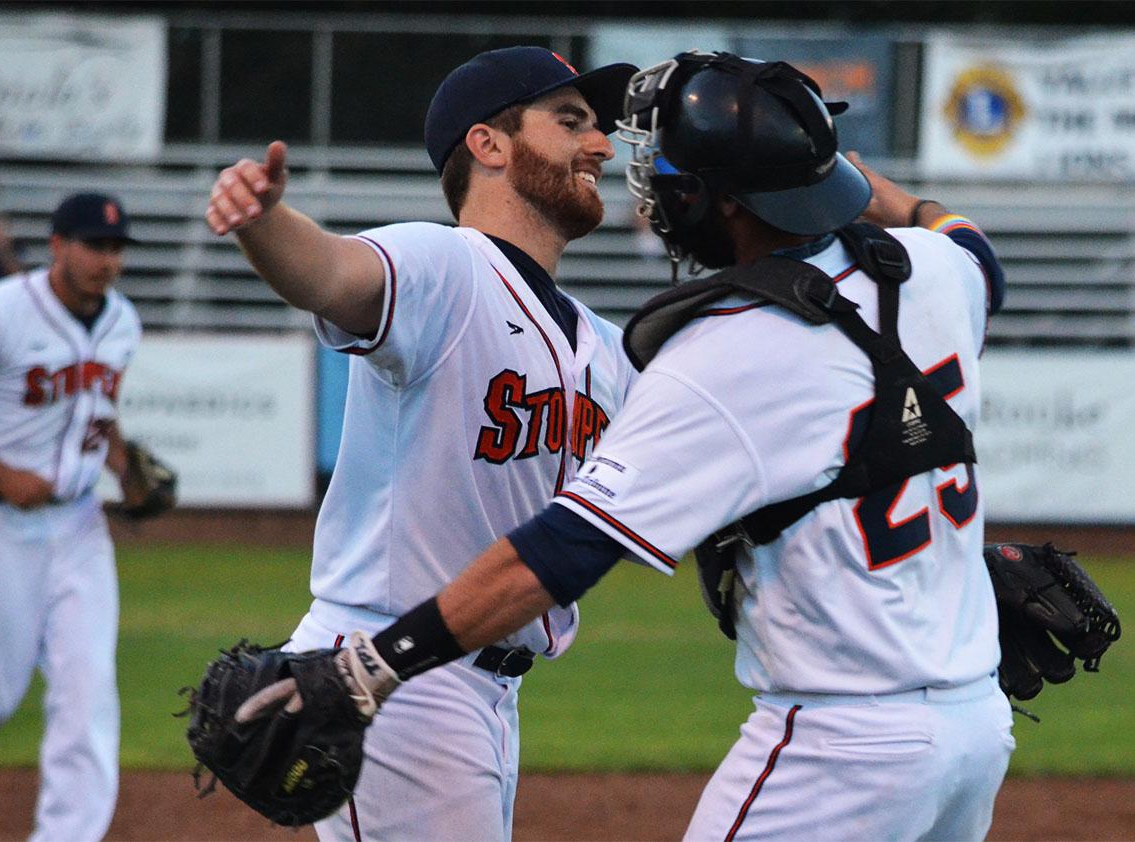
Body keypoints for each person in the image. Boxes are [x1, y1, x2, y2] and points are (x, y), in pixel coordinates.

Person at [314, 52, 1013, 840]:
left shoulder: (723, 354)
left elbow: (564, 551)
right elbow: (975, 249)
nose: (643, 178)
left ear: (720, 201)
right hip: (977, 724)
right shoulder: (933, 271)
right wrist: (889, 197)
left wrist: (373, 666)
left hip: (838, 748)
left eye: (671, 172)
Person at [205, 46, 638, 841]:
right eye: (571, 121)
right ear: (490, 145)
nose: (602, 145)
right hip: (389, 676)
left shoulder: (604, 348)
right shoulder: (448, 266)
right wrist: (265, 221)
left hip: (483, 688)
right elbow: (334, 273)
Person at [0, 192, 142, 841]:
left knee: (89, 698)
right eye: (94, 245)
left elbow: (98, 413)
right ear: (58, 245)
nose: (106, 260)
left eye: (116, 248)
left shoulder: (122, 321)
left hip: (80, 526)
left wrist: (127, 468)